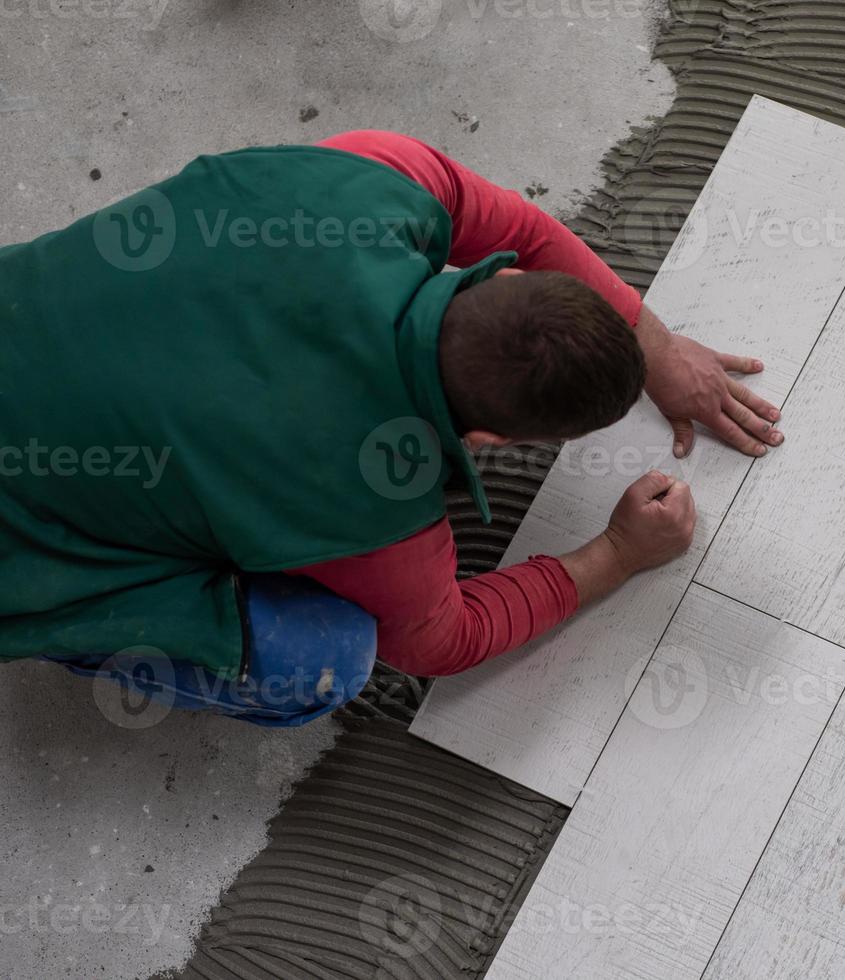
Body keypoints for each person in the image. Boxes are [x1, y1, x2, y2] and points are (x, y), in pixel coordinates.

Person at [0, 130, 783, 725]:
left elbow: (524, 225)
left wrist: (653, 345)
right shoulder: (371, 505)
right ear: (489, 444)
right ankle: (83, 630)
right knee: (324, 661)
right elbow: (441, 642)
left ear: (504, 275)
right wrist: (614, 554)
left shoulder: (373, 176)